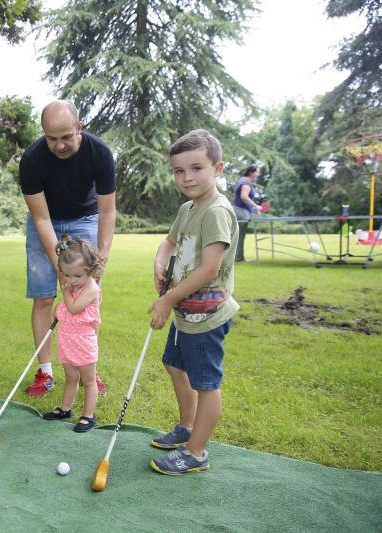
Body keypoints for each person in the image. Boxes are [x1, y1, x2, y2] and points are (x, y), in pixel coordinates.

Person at [147, 129, 239, 475]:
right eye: (179, 171)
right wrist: (159, 261)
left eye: (196, 168)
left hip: (207, 315)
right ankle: (187, 426)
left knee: (206, 384)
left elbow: (209, 269)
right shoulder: (188, 208)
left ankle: (196, 451)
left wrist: (168, 299)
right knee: (174, 364)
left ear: (218, 168)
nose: (187, 178)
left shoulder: (216, 211)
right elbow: (169, 243)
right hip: (187, 312)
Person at [18, 100, 116, 398]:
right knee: (44, 298)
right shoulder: (32, 159)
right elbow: (42, 217)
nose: (59, 146)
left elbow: (108, 212)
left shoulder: (99, 154)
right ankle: (45, 371)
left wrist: (100, 259)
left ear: (79, 128)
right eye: (51, 139)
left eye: (65, 137)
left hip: (85, 218)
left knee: (87, 298)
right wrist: (59, 267)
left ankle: (88, 371)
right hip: (46, 221)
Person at [41, 235, 104, 433]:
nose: (71, 281)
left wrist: (65, 290)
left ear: (92, 271)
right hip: (67, 340)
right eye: (67, 276)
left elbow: (74, 308)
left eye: (77, 276)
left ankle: (88, 416)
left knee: (88, 380)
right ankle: (65, 409)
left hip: (84, 342)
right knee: (70, 377)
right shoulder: (73, 285)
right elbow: (64, 310)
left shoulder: (92, 288)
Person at [232, 165, 262, 262]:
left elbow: (244, 201)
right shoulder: (246, 183)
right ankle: (238, 257)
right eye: (257, 172)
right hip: (241, 212)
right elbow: (244, 197)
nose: (258, 174)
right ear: (251, 172)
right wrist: (256, 206)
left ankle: (238, 257)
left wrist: (254, 209)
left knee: (237, 235)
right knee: (240, 235)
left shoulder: (242, 180)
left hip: (239, 210)